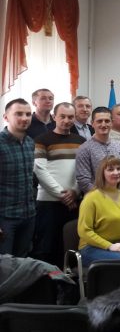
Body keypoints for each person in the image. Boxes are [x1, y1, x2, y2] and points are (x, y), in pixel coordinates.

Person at [32, 102, 85, 266]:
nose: (66, 120)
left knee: (70, 246)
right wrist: (63, 195)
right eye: (62, 116)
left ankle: (68, 279)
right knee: (46, 246)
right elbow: (40, 170)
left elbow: (83, 170)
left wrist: (75, 191)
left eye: (70, 117)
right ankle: (46, 279)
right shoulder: (41, 140)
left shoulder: (81, 141)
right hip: (48, 202)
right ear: (54, 117)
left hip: (74, 201)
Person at [0, 98, 35, 257]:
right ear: (6, 117)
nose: (25, 118)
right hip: (5, 218)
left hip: (28, 216)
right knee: (4, 265)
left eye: (28, 114)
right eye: (19, 114)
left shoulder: (30, 143)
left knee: (22, 263)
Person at [75, 106, 120, 194]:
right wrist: (104, 198)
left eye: (107, 121)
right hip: (96, 199)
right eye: (99, 121)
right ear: (92, 123)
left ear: (112, 123)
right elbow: (83, 180)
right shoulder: (84, 149)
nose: (103, 125)